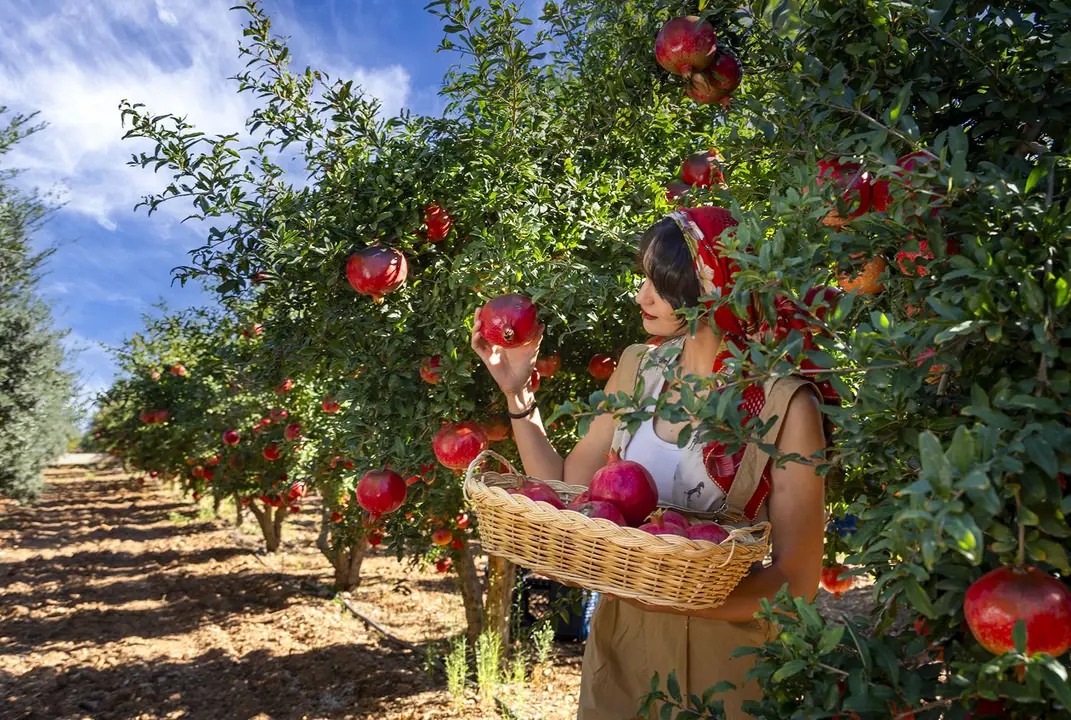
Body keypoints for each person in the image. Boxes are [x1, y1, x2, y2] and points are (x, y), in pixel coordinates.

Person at [470, 206, 828, 720]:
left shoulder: (782, 405)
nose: (643, 297)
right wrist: (518, 392)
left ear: (714, 285)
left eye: (661, 283)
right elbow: (569, 487)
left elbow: (798, 581)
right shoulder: (639, 367)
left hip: (725, 662)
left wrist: (683, 599)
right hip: (622, 646)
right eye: (644, 280)